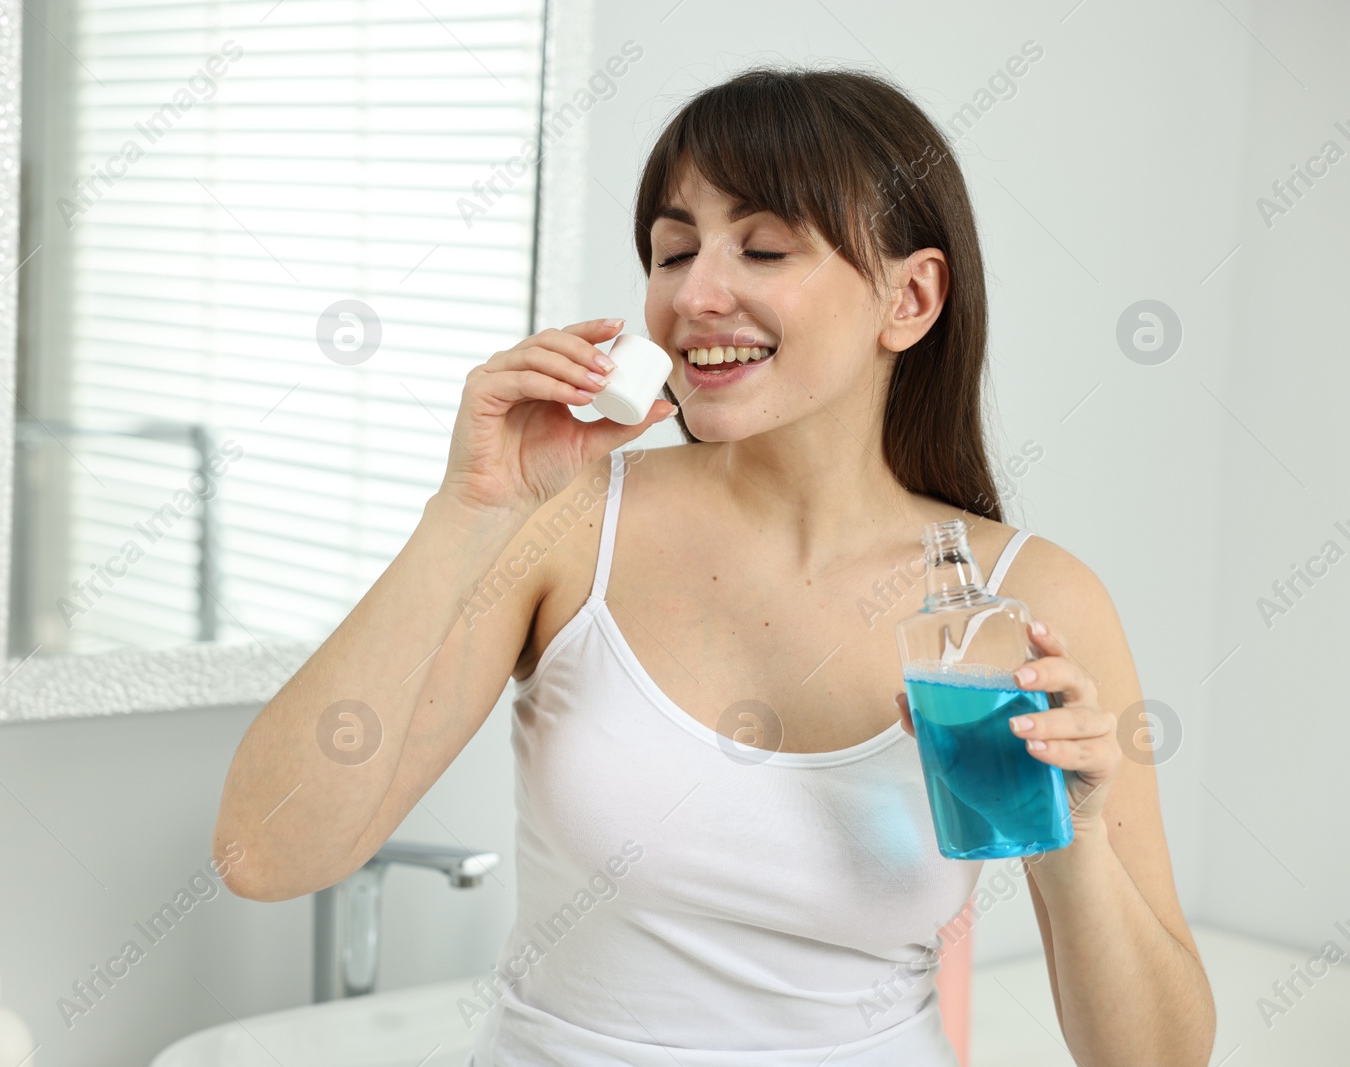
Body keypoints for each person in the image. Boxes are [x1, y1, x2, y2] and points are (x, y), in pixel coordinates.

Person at [213, 65, 1216, 1066]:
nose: (693, 294)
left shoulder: (1029, 600)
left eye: (765, 246)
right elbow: (265, 853)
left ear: (909, 297)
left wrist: (1071, 832)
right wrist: (466, 513)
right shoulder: (567, 525)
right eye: (671, 250)